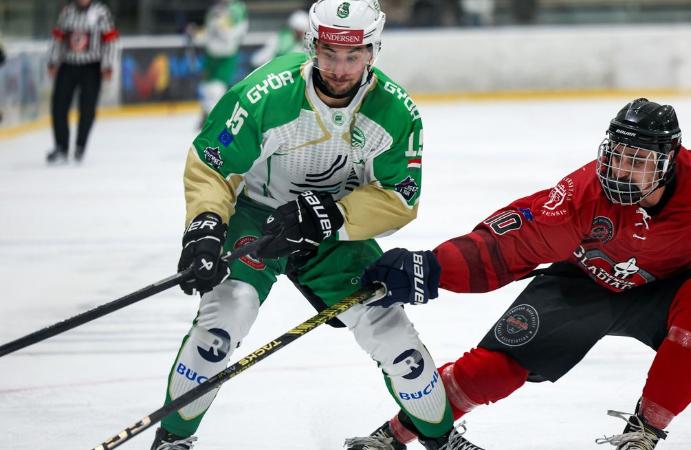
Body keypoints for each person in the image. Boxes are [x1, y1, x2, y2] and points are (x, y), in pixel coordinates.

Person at [345, 98, 691, 449]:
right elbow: (507, 245)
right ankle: (397, 433)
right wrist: (431, 266)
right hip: (581, 285)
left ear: (668, 162)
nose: (620, 169)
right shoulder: (580, 197)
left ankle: (645, 431)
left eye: (637, 161)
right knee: (494, 370)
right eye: (616, 154)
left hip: (664, 291)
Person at [150, 1, 480, 449]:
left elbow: (402, 197)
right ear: (312, 45)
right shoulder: (264, 94)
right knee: (228, 313)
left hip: (332, 231)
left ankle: (441, 440)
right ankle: (173, 440)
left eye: (353, 55)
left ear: (372, 51)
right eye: (329, 53)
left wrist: (334, 215)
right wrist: (206, 225)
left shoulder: (396, 113)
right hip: (257, 219)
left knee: (390, 331)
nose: (340, 68)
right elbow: (213, 163)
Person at [45, 0, 118, 164]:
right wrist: (52, 61)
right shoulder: (67, 12)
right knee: (58, 105)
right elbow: (57, 38)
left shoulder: (101, 13)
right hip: (68, 64)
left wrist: (107, 65)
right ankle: (61, 146)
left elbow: (110, 40)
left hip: (91, 67)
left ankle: (80, 146)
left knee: (87, 108)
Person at [189, 0, 248, 126]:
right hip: (211, 53)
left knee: (218, 86)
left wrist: (225, 30)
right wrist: (196, 35)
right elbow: (208, 32)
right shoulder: (214, 10)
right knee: (206, 86)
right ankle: (207, 113)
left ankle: (215, 118)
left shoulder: (237, 8)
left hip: (226, 54)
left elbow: (238, 31)